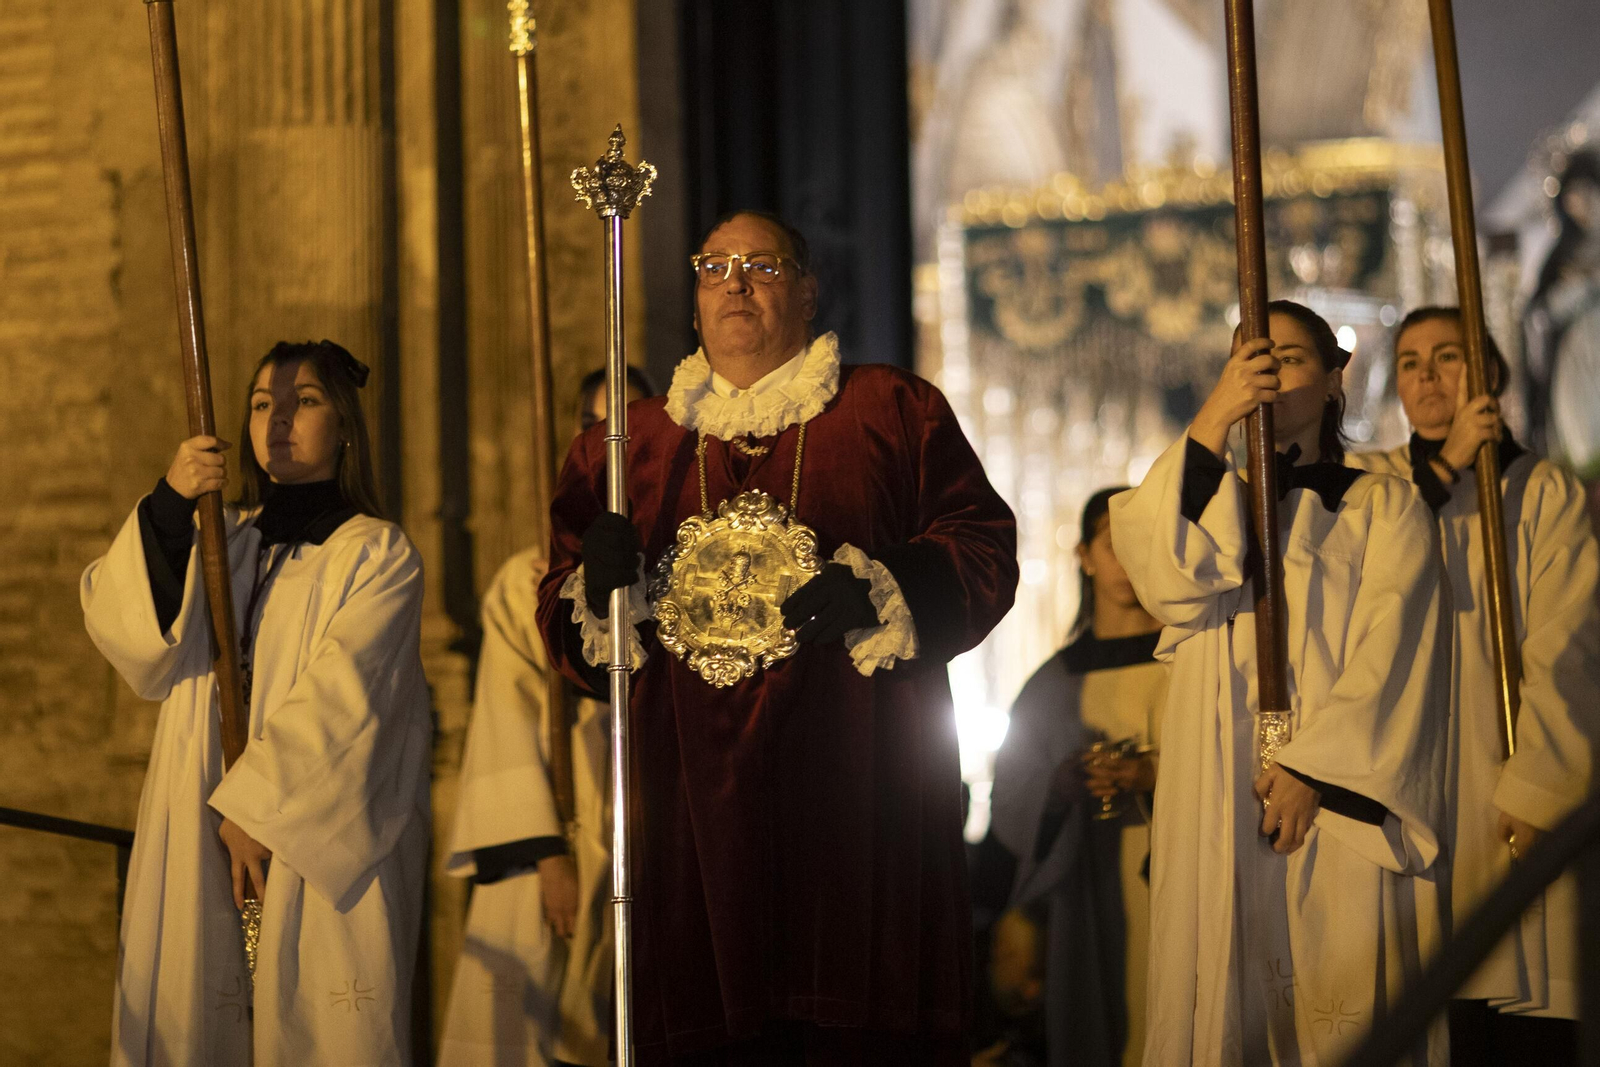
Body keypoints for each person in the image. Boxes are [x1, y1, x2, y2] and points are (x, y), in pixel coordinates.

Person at [536, 210, 1018, 1065]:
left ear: (806, 288)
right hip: (690, 818)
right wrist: (595, 587)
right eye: (715, 265)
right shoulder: (633, 445)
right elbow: (567, 624)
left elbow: (981, 547)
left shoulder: (891, 410)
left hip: (860, 802)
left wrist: (887, 585)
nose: (736, 282)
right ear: (693, 300)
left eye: (762, 264)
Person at [1110, 301, 1450, 1066]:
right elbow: (1164, 572)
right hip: (1217, 787)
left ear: (1336, 379)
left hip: (1333, 799)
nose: (1264, 374)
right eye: (1247, 360)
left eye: (1288, 358)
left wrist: (1312, 769)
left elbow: (1396, 654)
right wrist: (1212, 419)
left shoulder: (1381, 504)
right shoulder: (1207, 495)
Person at [82, 340, 432, 1065]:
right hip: (197, 820)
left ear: (344, 426)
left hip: (298, 839)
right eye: (261, 403)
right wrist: (171, 508)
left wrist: (255, 808)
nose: (277, 418)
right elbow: (136, 643)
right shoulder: (222, 542)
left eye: (304, 400)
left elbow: (350, 697)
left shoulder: (376, 554)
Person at [1348, 307, 1600, 1064]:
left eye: (1449, 356)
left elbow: (1570, 642)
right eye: (1413, 361)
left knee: (1513, 998)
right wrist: (1445, 467)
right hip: (1406, 771)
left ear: (1489, 374)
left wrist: (1539, 783)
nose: (1427, 376)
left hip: (1504, 779)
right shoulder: (1371, 486)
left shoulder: (1543, 491)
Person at [439, 364, 655, 1067]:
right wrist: (547, 852)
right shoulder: (529, 579)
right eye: (596, 423)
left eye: (629, 421)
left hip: (649, 822)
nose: (613, 439)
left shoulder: (683, 568)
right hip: (563, 824)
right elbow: (505, 716)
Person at [991, 486, 1167, 1067]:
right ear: (1085, 556)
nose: (1127, 561)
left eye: (1141, 544)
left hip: (1182, 874)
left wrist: (1154, 774)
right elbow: (1013, 803)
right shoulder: (1052, 686)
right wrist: (1059, 789)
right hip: (1092, 886)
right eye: (1113, 544)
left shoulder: (1195, 662)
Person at [1524, 151, 1600, 466]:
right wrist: (1582, 287)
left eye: (1588, 192)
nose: (1581, 202)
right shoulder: (1559, 258)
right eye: (1574, 195)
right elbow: (1541, 315)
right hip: (1577, 360)